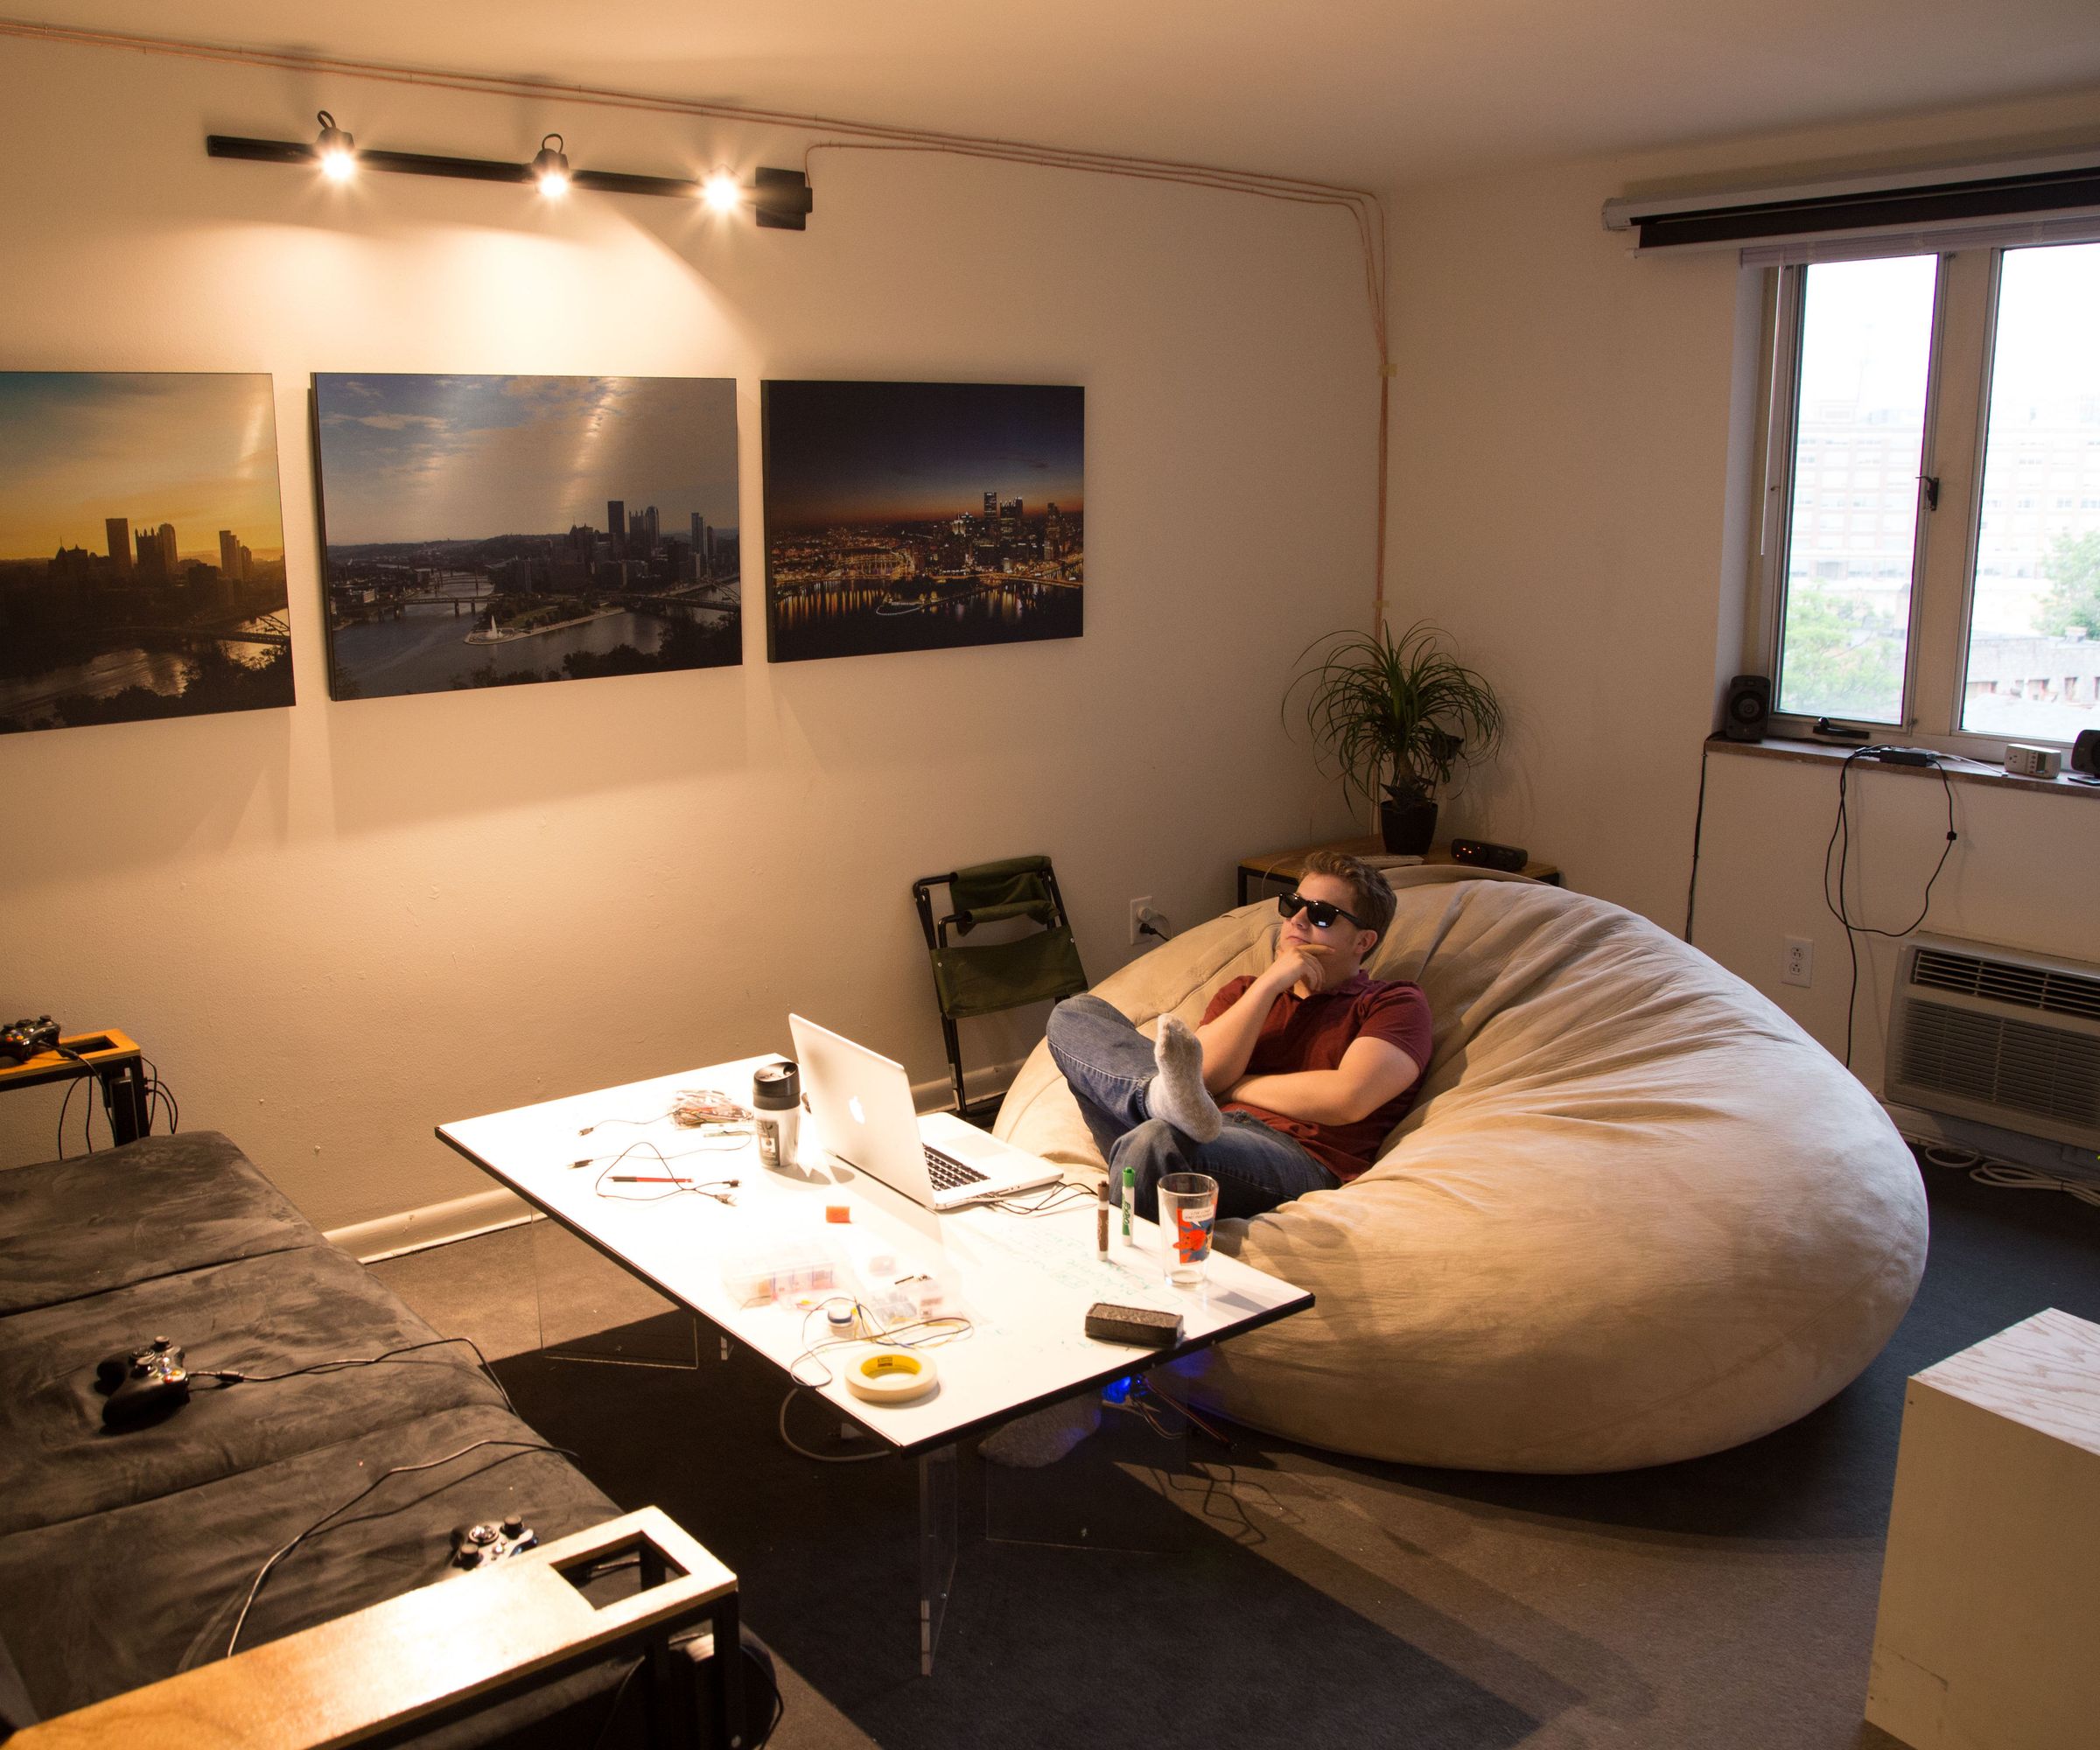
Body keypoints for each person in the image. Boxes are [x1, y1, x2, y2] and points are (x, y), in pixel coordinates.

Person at [1046, 850, 1432, 1224]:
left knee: (1156, 1139)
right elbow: (1205, 1076)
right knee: (1077, 1013)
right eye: (1293, 905)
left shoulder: (1392, 1002)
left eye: (1321, 914)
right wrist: (1269, 984)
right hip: (1199, 1126)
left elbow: (1347, 1099)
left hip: (1296, 1155)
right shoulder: (1246, 991)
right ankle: (1154, 1099)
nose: (1297, 920)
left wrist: (1237, 1087)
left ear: (1363, 942)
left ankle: (1158, 1108)